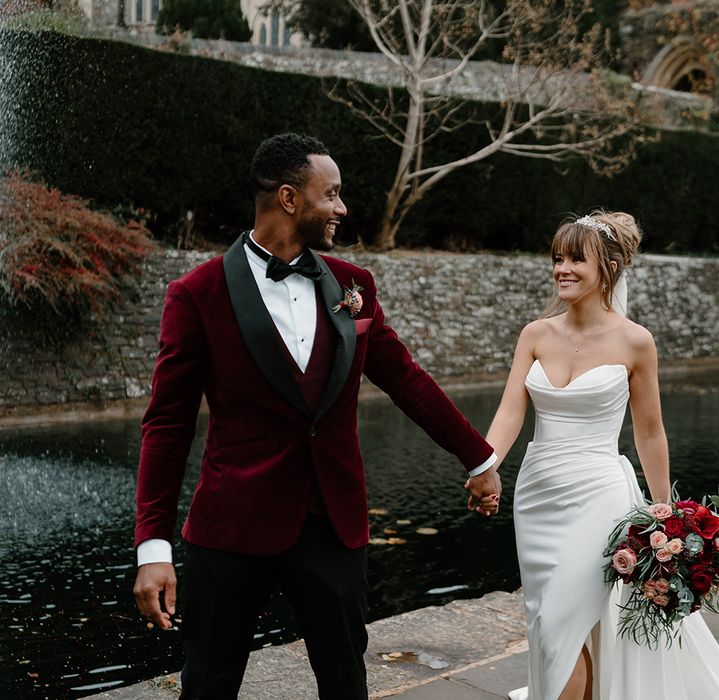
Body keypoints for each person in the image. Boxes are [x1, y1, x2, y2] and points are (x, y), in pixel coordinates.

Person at [131, 132, 501, 700]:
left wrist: (478, 456)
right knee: (208, 685)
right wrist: (152, 547)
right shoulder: (196, 294)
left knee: (346, 684)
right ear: (288, 198)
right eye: (331, 195)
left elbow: (404, 379)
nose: (342, 208)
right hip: (232, 528)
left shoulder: (355, 286)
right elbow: (167, 424)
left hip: (333, 523)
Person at [483, 211, 719, 699]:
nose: (562, 269)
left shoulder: (635, 341)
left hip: (598, 495)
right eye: (557, 258)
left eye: (576, 259)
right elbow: (511, 411)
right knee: (548, 617)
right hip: (536, 496)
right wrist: (484, 465)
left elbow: (651, 433)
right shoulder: (535, 334)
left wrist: (667, 516)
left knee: (562, 623)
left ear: (609, 269)